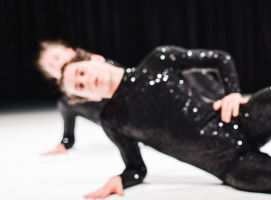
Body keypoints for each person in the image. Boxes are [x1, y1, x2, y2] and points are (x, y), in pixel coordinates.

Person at [59, 46, 271, 199]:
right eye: (81, 88)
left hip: (237, 121)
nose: (88, 81)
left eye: (82, 73)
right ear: (85, 98)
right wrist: (120, 180)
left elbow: (220, 58)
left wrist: (233, 93)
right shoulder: (112, 119)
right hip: (230, 165)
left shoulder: (158, 60)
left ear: (94, 59)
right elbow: (136, 168)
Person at [37, 41, 245, 155]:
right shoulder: (70, 101)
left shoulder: (101, 67)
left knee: (188, 70)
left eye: (57, 58)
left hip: (157, 112)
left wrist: (230, 93)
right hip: (139, 131)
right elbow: (70, 116)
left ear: (70, 51)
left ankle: (225, 101)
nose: (57, 65)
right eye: (51, 67)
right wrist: (65, 142)